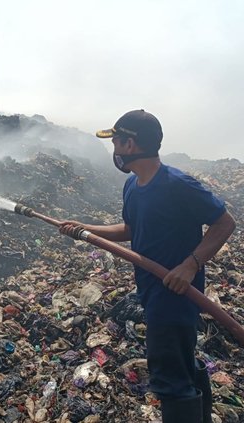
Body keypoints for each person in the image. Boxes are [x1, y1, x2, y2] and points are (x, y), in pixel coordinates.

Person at [59, 110, 236, 423]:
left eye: (115, 140)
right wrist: (86, 229)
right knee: (182, 364)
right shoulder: (134, 186)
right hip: (153, 292)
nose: (112, 147)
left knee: (171, 380)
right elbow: (130, 229)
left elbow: (224, 223)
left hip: (176, 296)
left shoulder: (178, 184)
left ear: (130, 144)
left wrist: (190, 265)